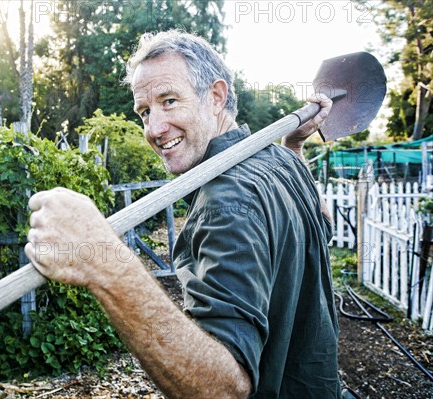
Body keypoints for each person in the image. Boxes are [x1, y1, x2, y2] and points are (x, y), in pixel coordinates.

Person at [25, 30, 341, 398]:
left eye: (170, 101)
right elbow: (324, 225)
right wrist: (296, 146)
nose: (154, 129)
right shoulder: (283, 160)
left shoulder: (226, 201)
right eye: (144, 112)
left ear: (216, 97)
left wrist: (107, 265)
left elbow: (223, 390)